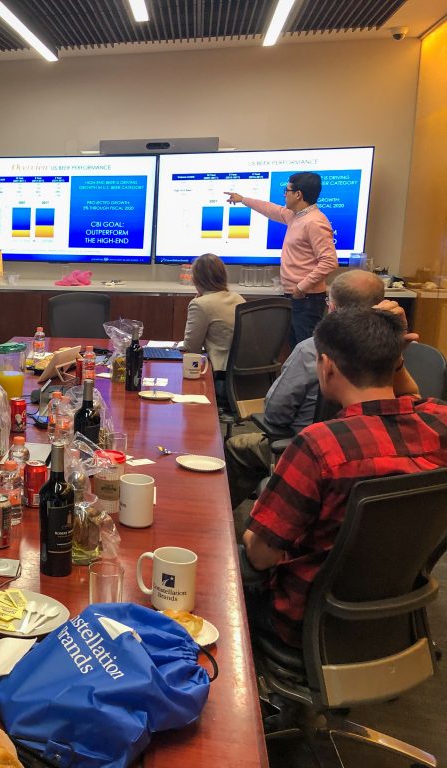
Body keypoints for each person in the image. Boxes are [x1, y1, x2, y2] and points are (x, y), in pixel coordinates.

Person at [240, 308, 447, 647]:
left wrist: (251, 530)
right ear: (394, 364)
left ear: (327, 366)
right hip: (395, 617)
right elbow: (411, 400)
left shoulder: (320, 446)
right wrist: (394, 359)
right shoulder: (439, 423)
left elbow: (261, 556)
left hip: (304, 622)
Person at [224, 269, 418, 508]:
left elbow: (275, 412)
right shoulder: (396, 355)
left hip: (312, 453)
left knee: (238, 448)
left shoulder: (312, 350)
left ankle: (220, 522)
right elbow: (412, 399)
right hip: (386, 461)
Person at [226, 172, 337, 346]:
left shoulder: (314, 222)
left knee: (306, 352)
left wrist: (301, 287)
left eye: (287, 190)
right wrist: (243, 199)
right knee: (297, 350)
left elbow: (329, 261)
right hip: (296, 296)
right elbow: (271, 209)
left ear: (298, 194)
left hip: (307, 299)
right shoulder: (295, 216)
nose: (284, 194)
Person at [180, 253, 245, 391]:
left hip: (220, 379)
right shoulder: (238, 298)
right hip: (244, 379)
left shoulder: (200, 304)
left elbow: (192, 348)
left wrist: (198, 299)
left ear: (197, 279)